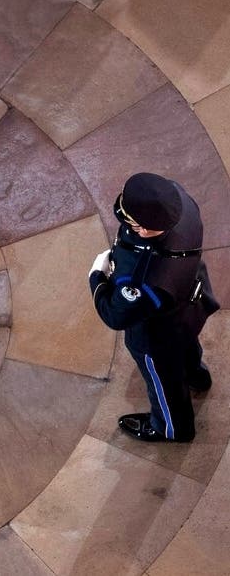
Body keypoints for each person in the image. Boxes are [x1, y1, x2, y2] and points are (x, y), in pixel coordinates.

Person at [89, 173, 219, 442]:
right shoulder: (179, 200)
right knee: (186, 345)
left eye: (131, 222)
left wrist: (97, 278)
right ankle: (196, 375)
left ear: (145, 230)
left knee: (163, 378)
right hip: (189, 301)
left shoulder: (143, 275)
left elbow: (115, 314)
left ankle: (170, 427)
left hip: (157, 332)